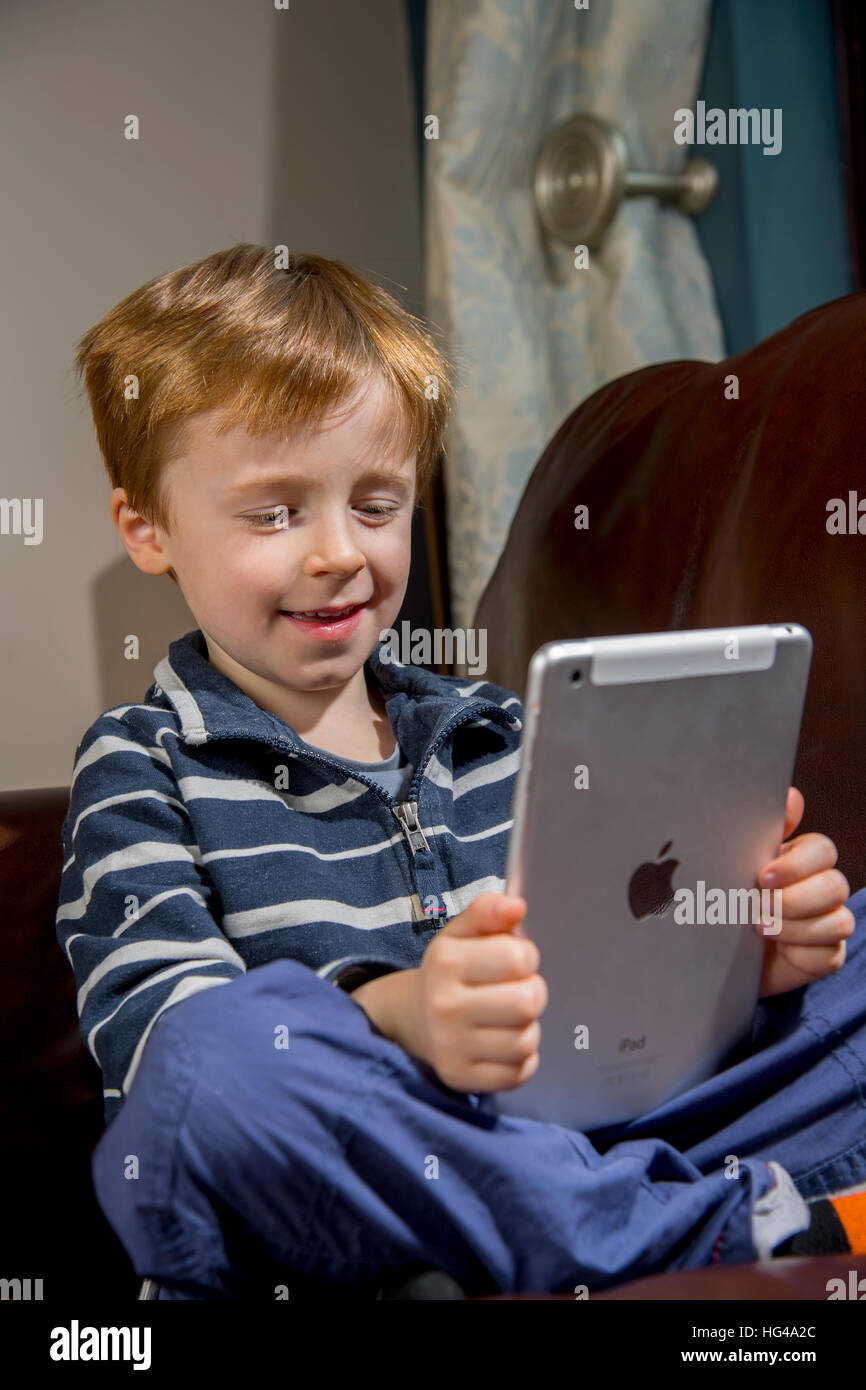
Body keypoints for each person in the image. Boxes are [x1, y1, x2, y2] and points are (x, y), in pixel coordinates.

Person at [56, 244, 866, 1299]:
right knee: (212, 1057)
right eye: (274, 512)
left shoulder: (502, 727)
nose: (338, 552)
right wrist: (400, 1014)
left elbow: (615, 987)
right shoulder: (142, 765)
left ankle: (645, 1221)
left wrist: (735, 956)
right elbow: (158, 1042)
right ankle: (700, 1224)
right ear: (147, 528)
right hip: (354, 1185)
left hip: (592, 1136)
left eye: (377, 503)